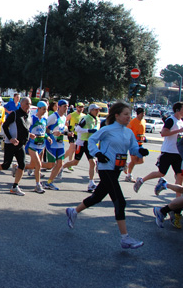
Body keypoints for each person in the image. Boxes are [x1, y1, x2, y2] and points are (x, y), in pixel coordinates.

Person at [65, 102, 149, 249]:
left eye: (130, 114)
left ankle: (74, 211)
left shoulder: (128, 132)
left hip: (116, 169)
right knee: (120, 202)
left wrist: (140, 151)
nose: (129, 117)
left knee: (97, 197)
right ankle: (125, 238)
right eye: (125, 114)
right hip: (105, 168)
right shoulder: (108, 130)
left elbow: (133, 147)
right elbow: (91, 140)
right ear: (117, 115)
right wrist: (97, 153)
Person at [134, 102, 183, 194]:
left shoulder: (181, 122)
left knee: (180, 176)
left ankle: (177, 201)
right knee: (161, 173)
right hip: (168, 151)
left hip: (178, 153)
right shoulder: (171, 120)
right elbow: (163, 133)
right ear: (177, 110)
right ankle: (141, 180)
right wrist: (179, 131)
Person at [0, 97, 33, 195]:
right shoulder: (14, 114)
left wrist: (29, 135)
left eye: (30, 104)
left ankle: (15, 186)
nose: (29, 106)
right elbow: (5, 126)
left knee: (22, 164)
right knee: (6, 165)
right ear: (22, 104)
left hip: (21, 144)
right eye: (27, 104)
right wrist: (10, 138)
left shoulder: (28, 116)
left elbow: (25, 129)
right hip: (10, 144)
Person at [63, 103, 101, 192]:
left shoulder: (98, 119)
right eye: (96, 110)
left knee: (93, 163)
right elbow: (77, 129)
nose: (98, 111)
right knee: (75, 162)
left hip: (91, 144)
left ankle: (91, 183)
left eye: (98, 110)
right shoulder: (86, 118)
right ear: (91, 110)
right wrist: (88, 130)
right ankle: (61, 167)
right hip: (82, 143)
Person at [43, 100, 72, 190]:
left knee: (60, 163)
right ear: (59, 106)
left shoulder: (64, 118)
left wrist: (68, 133)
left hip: (60, 144)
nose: (66, 108)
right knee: (50, 165)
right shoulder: (53, 117)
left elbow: (62, 130)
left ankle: (49, 182)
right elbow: (43, 127)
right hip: (51, 143)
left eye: (67, 106)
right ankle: (29, 166)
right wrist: (52, 133)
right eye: (64, 106)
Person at [125, 107, 147, 182]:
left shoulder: (144, 121)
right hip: (133, 145)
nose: (143, 115)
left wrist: (144, 137)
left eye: (144, 113)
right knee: (134, 161)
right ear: (138, 114)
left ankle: (128, 165)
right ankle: (129, 175)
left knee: (141, 160)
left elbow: (142, 131)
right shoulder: (133, 122)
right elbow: (127, 131)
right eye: (142, 113)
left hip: (140, 144)